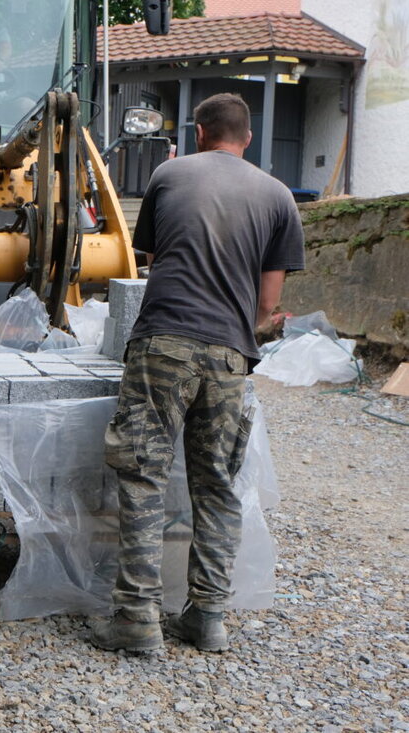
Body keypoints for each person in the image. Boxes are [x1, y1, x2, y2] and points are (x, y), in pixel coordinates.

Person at [90, 93, 305, 654]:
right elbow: (268, 301)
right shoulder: (279, 195)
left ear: (201, 132)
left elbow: (155, 265)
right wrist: (241, 327)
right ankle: (207, 617)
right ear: (248, 138)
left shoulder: (169, 174)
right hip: (232, 354)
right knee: (218, 485)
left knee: (143, 477)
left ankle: (136, 620)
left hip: (163, 343)